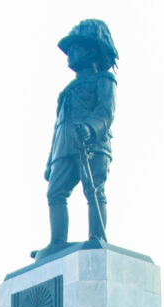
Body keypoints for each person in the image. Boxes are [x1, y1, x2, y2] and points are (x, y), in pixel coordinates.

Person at [35, 19, 119, 260]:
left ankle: (97, 236)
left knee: (94, 190)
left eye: (76, 47)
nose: (70, 53)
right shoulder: (67, 91)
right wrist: (50, 161)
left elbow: (105, 112)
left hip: (92, 144)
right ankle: (57, 242)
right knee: (55, 193)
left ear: (92, 50)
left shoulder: (104, 80)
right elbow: (58, 126)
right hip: (64, 147)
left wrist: (90, 129)